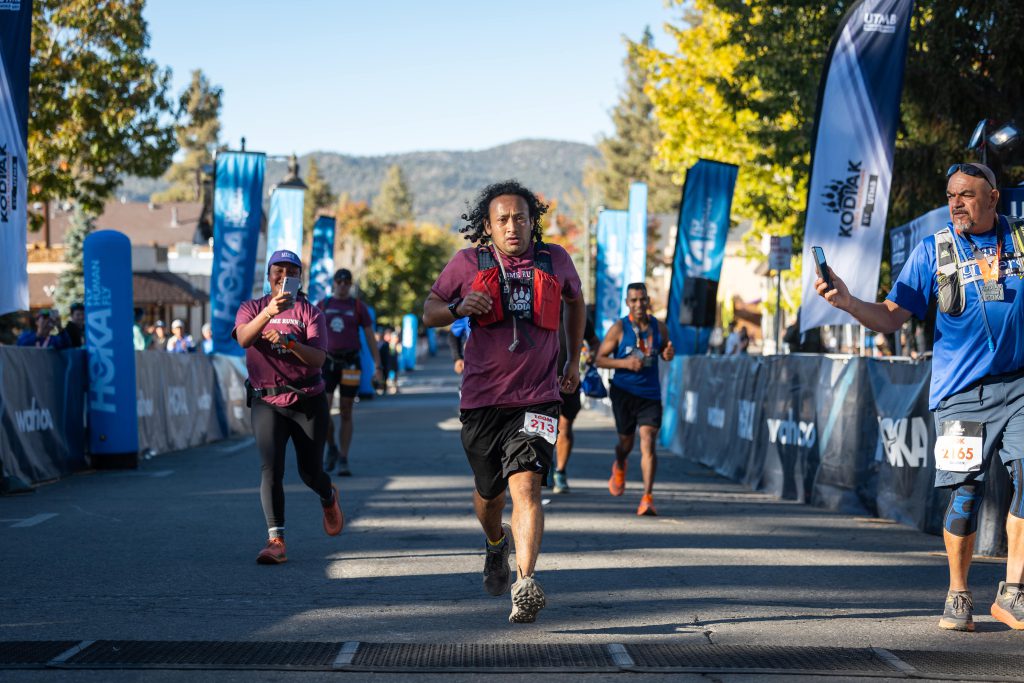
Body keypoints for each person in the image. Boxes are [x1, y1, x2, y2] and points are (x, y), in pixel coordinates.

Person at [815, 162, 1024, 633]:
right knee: (965, 495)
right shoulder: (934, 250)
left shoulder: (1021, 241)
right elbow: (892, 317)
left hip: (1020, 387)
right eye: (951, 195)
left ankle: (1013, 593)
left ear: (993, 198)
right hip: (960, 394)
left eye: (967, 195)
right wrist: (848, 302)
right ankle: (958, 591)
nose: (955, 204)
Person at [423, 180, 585, 624]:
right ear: (487, 227)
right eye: (502, 219)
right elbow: (430, 309)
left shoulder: (556, 260)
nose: (512, 226)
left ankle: (526, 581)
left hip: (538, 397)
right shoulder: (467, 263)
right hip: (482, 400)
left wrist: (572, 358)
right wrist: (459, 308)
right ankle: (496, 542)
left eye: (520, 217)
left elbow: (575, 300)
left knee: (527, 487)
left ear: (533, 220)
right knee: (489, 495)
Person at [233, 249, 343, 565]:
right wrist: (267, 313)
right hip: (266, 401)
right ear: (268, 276)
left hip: (307, 400)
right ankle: (276, 540)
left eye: (290, 272)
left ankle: (328, 495)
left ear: (299, 278)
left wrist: (290, 344)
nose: (283, 276)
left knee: (310, 472)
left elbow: (319, 359)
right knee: (271, 469)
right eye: (277, 271)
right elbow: (243, 339)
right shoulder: (252, 308)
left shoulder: (311, 313)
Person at [595, 282, 675, 516]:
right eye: (634, 300)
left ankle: (647, 498)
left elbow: (665, 352)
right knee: (626, 444)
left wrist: (668, 354)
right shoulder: (619, 328)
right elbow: (600, 359)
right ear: (628, 303)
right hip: (624, 393)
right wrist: (625, 363)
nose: (639, 304)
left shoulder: (659, 328)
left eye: (642, 300)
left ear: (648, 301)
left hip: (650, 394)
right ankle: (620, 464)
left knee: (648, 440)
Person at [317, 268, 383, 476]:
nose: (343, 285)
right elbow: (311, 333)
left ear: (350, 284)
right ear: (334, 283)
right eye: (340, 281)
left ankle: (344, 457)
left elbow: (370, 337)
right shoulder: (324, 305)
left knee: (346, 409)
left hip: (350, 362)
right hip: (327, 362)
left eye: (347, 282)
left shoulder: (357, 306)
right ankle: (332, 448)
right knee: (323, 411)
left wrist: (378, 366)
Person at [552, 313, 600, 494]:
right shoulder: (536, 307)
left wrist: (591, 357)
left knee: (564, 426)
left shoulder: (576, 313)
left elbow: (594, 342)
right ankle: (542, 465)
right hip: (540, 380)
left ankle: (560, 472)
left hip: (569, 380)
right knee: (541, 428)